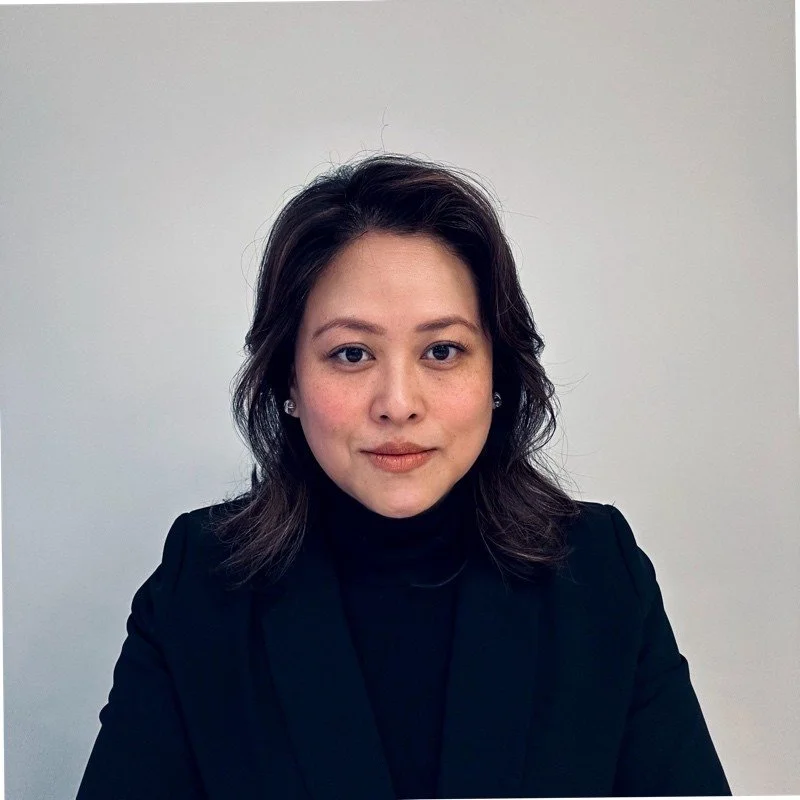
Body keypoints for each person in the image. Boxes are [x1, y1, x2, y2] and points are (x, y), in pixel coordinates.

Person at [76, 154, 732, 799]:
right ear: (289, 383)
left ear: (497, 376)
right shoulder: (201, 583)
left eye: (442, 351)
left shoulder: (600, 571)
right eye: (351, 353)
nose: (398, 402)